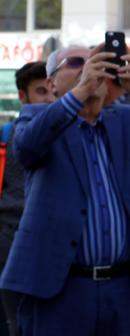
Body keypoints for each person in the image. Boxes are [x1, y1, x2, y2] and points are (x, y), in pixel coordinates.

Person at [0, 44, 130, 335]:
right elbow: (27, 148)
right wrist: (79, 93)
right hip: (60, 288)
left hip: (127, 288)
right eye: (77, 62)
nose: (90, 68)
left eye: (96, 62)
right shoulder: (34, 116)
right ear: (51, 83)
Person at [0, 61, 54, 336]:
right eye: (41, 92)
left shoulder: (67, 131)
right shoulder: (6, 138)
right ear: (23, 97)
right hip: (10, 239)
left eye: (52, 91)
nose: (49, 98)